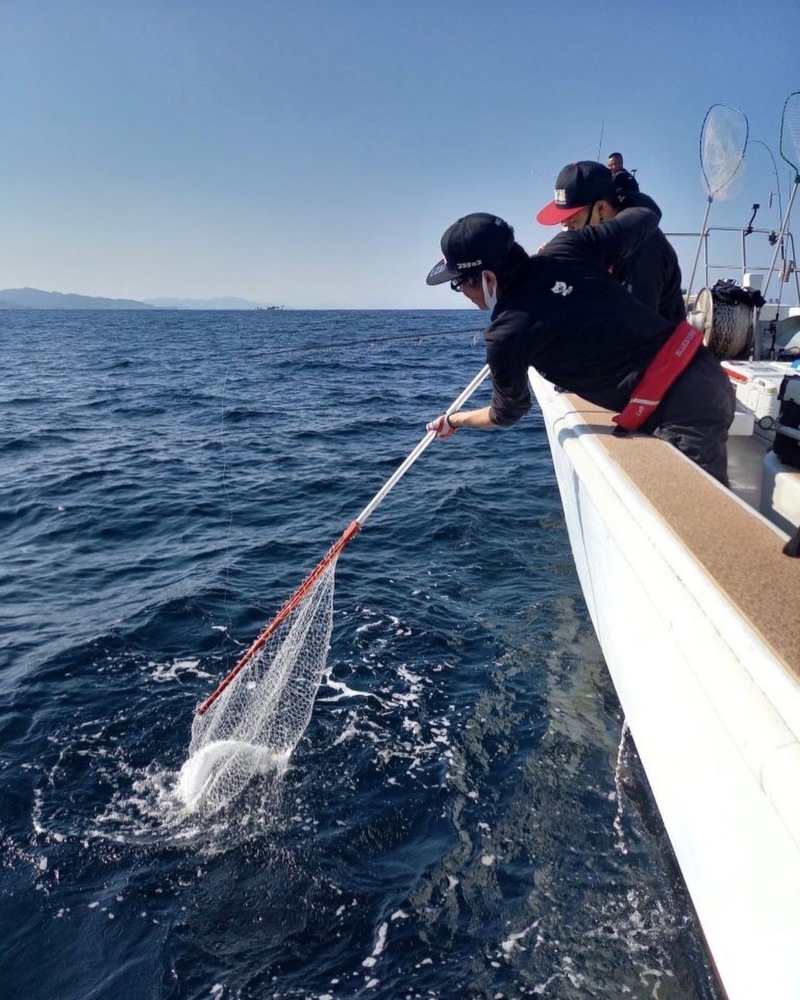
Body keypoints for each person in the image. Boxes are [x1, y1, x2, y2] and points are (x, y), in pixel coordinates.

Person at [424, 211, 735, 485]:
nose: (461, 291)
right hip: (707, 370)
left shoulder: (506, 335)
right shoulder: (567, 247)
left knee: (701, 533)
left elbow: (507, 412)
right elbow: (645, 216)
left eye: (459, 283)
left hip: (684, 413)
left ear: (487, 277)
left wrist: (454, 420)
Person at [537, 160, 684, 325]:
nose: (567, 234)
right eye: (563, 224)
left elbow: (633, 332)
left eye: (572, 223)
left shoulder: (642, 249)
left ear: (601, 209)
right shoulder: (601, 246)